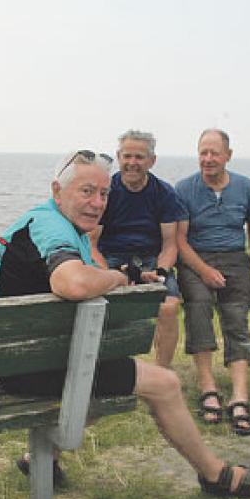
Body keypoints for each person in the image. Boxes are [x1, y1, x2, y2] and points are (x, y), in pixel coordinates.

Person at [0, 149, 250, 498]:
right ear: (56, 190)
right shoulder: (51, 227)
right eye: (86, 192)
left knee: (107, 382)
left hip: (20, 356)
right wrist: (113, 276)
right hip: (30, 366)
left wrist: (122, 276)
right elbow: (73, 283)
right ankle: (215, 475)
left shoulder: (50, 221)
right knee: (165, 383)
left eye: (103, 193)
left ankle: (43, 456)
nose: (97, 203)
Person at [174, 129, 250, 437]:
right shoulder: (184, 189)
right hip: (195, 258)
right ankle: (208, 387)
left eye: (215, 152)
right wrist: (203, 270)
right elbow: (179, 239)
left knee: (235, 318)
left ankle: (240, 395)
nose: (208, 159)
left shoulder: (245, 187)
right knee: (199, 308)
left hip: (234, 258)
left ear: (228, 155)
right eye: (203, 152)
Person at [89, 130, 187, 367]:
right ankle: (107, 369)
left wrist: (161, 273)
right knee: (103, 305)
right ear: (118, 157)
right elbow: (91, 244)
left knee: (169, 306)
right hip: (111, 258)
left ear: (151, 161)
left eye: (139, 157)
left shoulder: (164, 193)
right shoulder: (105, 192)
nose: (132, 163)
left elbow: (170, 244)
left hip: (151, 259)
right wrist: (111, 274)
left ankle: (162, 371)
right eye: (127, 156)